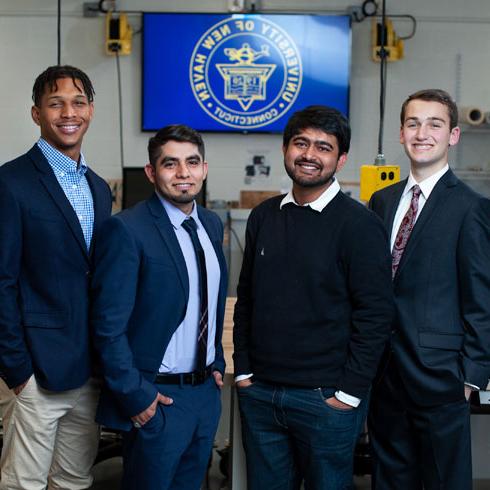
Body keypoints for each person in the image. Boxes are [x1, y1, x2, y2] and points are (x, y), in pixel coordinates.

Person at [233, 105, 394, 490]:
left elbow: (376, 315)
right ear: (286, 149)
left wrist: (350, 393)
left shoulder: (360, 225)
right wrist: (243, 371)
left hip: (325, 400)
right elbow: (247, 299)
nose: (309, 154)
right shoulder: (264, 217)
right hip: (262, 394)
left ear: (340, 160)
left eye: (323, 147)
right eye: (301, 143)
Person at [91, 124, 228, 490]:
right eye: (171, 164)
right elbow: (108, 326)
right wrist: (136, 396)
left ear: (204, 168)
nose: (183, 173)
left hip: (204, 396)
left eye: (192, 162)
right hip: (158, 398)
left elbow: (207, 300)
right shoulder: (127, 230)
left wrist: (216, 361)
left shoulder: (211, 225)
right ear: (152, 172)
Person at [368, 89, 490, 490]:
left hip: (442, 378)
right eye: (413, 123)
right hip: (384, 375)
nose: (422, 133)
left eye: (434, 123)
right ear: (401, 134)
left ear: (453, 135)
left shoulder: (471, 208)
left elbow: (481, 297)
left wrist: (470, 377)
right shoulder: (381, 201)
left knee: (443, 481)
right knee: (389, 480)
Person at [0, 65, 112, 490]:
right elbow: (2, 280)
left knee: (73, 481)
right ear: (36, 113)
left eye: (78, 102)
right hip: (34, 374)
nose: (69, 112)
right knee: (23, 484)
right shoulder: (11, 183)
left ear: (91, 110)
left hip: (87, 370)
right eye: (55, 102)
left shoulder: (99, 188)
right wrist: (17, 371)